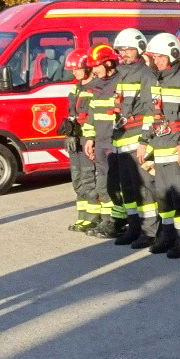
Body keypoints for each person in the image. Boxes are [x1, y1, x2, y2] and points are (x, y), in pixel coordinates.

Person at [143, 32, 180, 257]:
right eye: (154, 57)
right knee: (164, 198)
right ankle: (166, 237)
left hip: (179, 150)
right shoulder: (157, 80)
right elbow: (153, 114)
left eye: (160, 56)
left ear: (172, 55)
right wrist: (143, 142)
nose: (155, 61)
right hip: (160, 149)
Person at [109, 28, 158, 247]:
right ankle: (134, 226)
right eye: (121, 50)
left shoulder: (146, 76)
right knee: (127, 187)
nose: (124, 53)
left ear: (138, 49)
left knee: (144, 189)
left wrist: (144, 142)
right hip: (121, 140)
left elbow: (151, 111)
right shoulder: (120, 73)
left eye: (128, 49)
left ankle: (150, 231)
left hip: (137, 140)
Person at [82, 44, 123, 238]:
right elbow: (92, 113)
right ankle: (108, 222)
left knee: (116, 185)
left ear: (108, 63)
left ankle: (118, 222)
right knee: (103, 184)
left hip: (115, 141)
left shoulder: (121, 81)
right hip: (100, 141)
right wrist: (89, 138)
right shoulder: (97, 85)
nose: (94, 70)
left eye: (97, 65)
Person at [62, 48, 99, 232]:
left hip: (87, 139)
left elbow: (93, 116)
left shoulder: (95, 88)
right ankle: (82, 216)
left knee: (88, 178)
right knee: (77, 179)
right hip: (75, 140)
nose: (74, 72)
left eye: (77, 69)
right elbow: (72, 112)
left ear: (87, 67)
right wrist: (69, 129)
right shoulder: (76, 87)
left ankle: (93, 217)